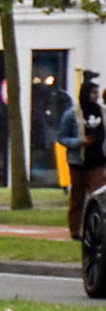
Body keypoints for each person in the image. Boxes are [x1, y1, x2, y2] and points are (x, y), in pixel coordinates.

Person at [59, 74, 104, 239]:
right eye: (93, 92)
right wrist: (79, 142)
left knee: (99, 197)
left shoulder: (102, 112)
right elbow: (61, 137)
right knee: (78, 197)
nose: (96, 96)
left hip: (98, 161)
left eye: (97, 92)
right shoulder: (71, 114)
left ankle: (98, 229)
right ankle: (75, 230)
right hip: (78, 163)